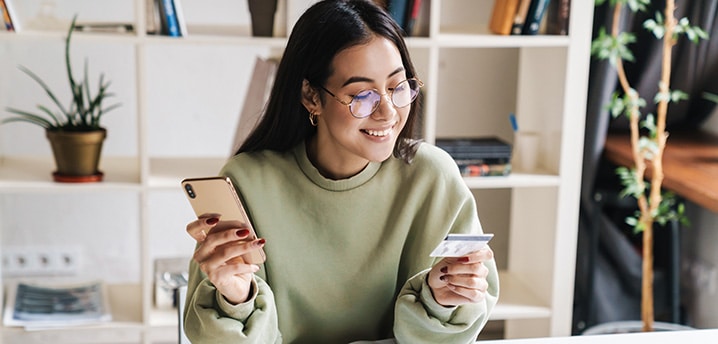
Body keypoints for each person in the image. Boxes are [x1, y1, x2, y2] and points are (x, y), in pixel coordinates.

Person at [183, 0, 499, 343]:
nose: (387, 113)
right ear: (311, 96)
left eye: (398, 87)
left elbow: (454, 329)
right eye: (362, 95)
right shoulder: (249, 181)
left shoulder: (431, 178)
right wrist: (235, 297)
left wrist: (442, 299)